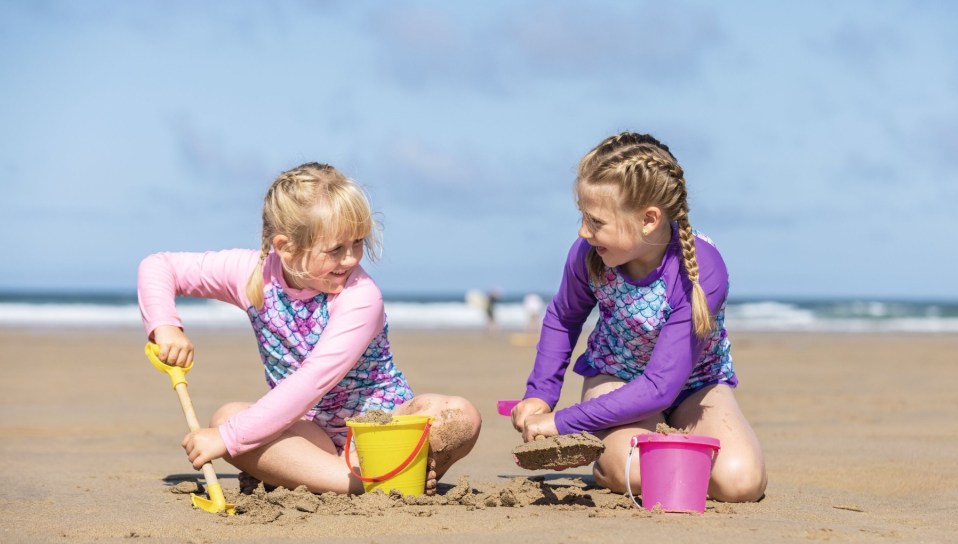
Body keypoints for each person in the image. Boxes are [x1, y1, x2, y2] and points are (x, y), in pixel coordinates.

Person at [138, 162, 481, 495]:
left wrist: (228, 440)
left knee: (460, 415)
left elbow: (312, 381)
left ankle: (359, 474)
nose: (351, 259)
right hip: (307, 434)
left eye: (358, 243)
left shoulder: (361, 297)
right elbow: (159, 267)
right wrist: (166, 327)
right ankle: (366, 482)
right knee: (227, 417)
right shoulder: (250, 274)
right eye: (335, 250)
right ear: (286, 248)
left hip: (380, 430)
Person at [510, 132, 766, 503]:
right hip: (617, 376)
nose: (583, 231)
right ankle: (611, 461)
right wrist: (540, 395)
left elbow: (661, 386)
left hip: (696, 386)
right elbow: (564, 318)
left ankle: (648, 437)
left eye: (596, 221)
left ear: (648, 219)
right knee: (635, 473)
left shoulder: (701, 272)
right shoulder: (588, 255)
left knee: (739, 483)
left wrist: (561, 422)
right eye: (582, 216)